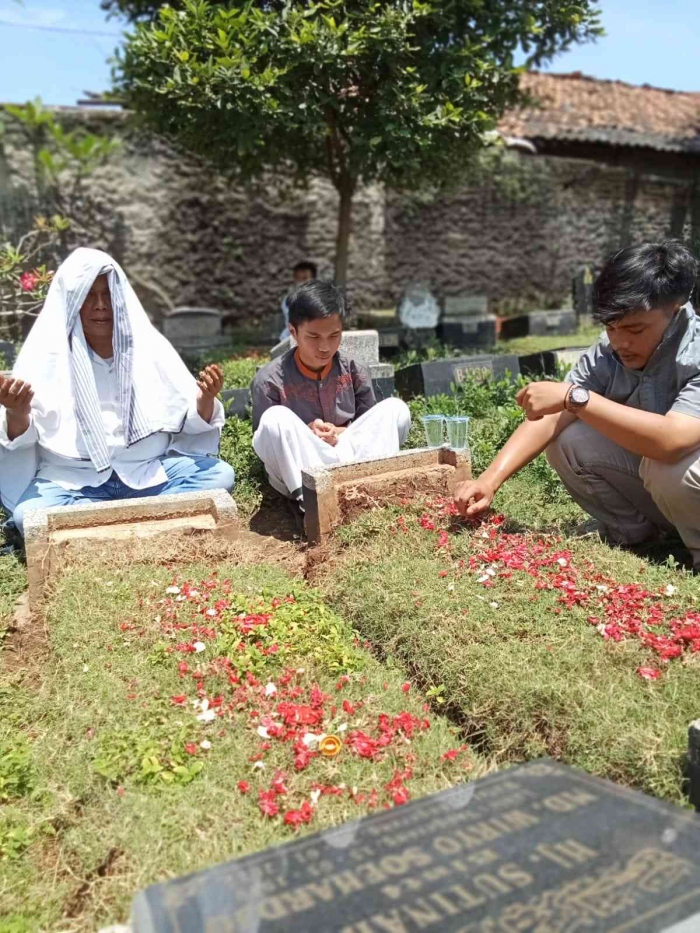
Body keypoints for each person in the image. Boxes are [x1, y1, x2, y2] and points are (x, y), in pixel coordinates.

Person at [454, 240, 700, 568]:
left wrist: (574, 398)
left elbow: (670, 441)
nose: (620, 341)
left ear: (677, 309)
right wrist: (489, 480)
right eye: (611, 327)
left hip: (683, 473)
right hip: (672, 491)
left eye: (635, 329)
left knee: (669, 468)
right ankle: (639, 534)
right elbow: (549, 418)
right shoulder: (608, 350)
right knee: (569, 441)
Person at [0, 247, 235, 537]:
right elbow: (21, 440)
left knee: (220, 474)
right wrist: (16, 411)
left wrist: (205, 399)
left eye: (108, 294)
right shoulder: (43, 357)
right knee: (29, 516)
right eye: (89, 295)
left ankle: (101, 528)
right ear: (69, 301)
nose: (101, 305)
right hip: (72, 481)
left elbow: (188, 419)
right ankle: (149, 523)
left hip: (147, 472)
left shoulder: (150, 349)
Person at [253, 279, 411, 505]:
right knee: (274, 419)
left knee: (397, 410)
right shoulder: (269, 380)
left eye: (334, 335)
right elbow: (267, 441)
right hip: (298, 466)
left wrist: (338, 432)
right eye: (314, 337)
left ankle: (374, 489)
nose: (325, 347)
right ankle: (310, 502)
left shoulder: (355, 369)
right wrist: (307, 432)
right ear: (293, 333)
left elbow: (367, 427)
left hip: (347, 454)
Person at [280, 261, 317, 340]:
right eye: (298, 279)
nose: (301, 283)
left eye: (305, 278)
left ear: (313, 280)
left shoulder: (323, 299)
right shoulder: (288, 301)